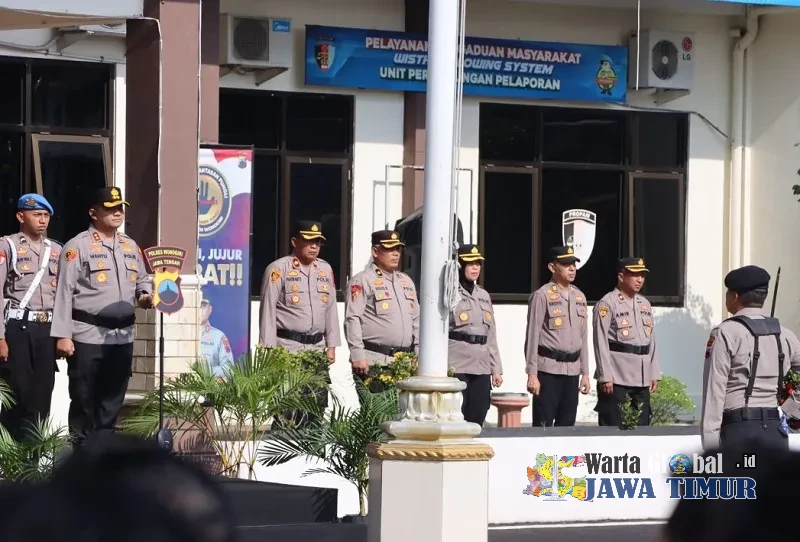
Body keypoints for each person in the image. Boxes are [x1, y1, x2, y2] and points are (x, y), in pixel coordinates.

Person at [50, 187, 153, 448]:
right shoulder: (77, 246)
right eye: (110, 208)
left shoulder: (130, 245)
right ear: (93, 213)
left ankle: (103, 456)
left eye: (120, 208)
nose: (117, 213)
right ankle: (81, 458)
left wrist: (145, 295)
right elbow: (64, 292)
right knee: (85, 400)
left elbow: (142, 279)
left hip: (122, 337)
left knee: (112, 402)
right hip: (88, 336)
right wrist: (63, 335)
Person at [701, 265, 800, 451]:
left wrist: (711, 450)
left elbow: (714, 394)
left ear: (735, 296)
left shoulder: (725, 333)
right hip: (775, 432)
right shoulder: (786, 335)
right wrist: (789, 409)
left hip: (738, 431)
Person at [258, 220, 339, 424]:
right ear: (295, 241)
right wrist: (269, 350)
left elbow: (330, 308)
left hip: (316, 350)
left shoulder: (325, 269)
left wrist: (332, 345)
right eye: (309, 241)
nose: (314, 246)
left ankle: (312, 444)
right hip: (288, 349)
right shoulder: (278, 269)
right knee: (287, 409)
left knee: (316, 406)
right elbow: (267, 309)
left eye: (318, 242)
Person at [0, 194, 62, 440]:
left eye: (46, 215)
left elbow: (65, 295)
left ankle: (33, 455)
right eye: (37, 215)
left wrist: (64, 334)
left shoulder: (56, 250)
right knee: (17, 393)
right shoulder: (8, 246)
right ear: (20, 216)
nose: (42, 220)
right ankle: (11, 453)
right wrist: (0, 338)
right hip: (18, 327)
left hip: (47, 329)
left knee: (42, 395)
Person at [524, 246, 590, 427]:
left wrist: (585, 373)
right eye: (566, 264)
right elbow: (532, 337)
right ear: (552, 267)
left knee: (567, 426)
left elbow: (583, 339)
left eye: (573, 264)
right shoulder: (542, 295)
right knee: (543, 425)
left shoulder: (580, 297)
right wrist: (532, 374)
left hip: (572, 371)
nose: (572, 268)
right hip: (548, 371)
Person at [593, 257, 661, 428]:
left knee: (642, 427)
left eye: (642, 275)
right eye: (635, 275)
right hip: (617, 377)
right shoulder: (607, 303)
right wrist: (605, 375)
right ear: (621, 276)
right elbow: (600, 341)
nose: (640, 280)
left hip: (642, 377)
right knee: (613, 427)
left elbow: (651, 341)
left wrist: (654, 372)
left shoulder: (644, 304)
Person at [344, 230, 419, 381]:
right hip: (374, 361)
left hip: (404, 363)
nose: (395, 253)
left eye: (398, 249)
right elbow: (352, 319)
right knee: (376, 398)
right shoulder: (363, 280)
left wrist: (419, 353)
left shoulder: (406, 281)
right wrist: (357, 354)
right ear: (375, 252)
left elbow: (417, 320)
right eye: (389, 248)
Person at [447, 244, 503, 426]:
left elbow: (491, 335)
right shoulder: (450, 292)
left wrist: (496, 369)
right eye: (470, 264)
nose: (475, 268)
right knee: (455, 416)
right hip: (457, 364)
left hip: (481, 365)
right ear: (460, 266)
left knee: (479, 412)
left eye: (478, 263)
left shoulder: (483, 295)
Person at [199, 295, 233, 377]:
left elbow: (228, 369)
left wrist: (204, 371)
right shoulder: (180, 336)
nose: (199, 310)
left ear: (210, 309)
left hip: (207, 384)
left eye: (203, 306)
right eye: (197, 305)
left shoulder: (219, 337)